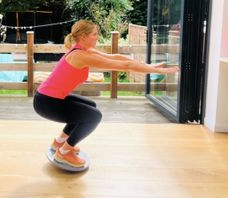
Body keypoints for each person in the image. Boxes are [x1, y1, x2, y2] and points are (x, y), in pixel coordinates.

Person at [33, 19, 179, 168]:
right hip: (47, 103)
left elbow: (116, 58)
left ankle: (59, 143)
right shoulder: (80, 56)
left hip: (49, 98)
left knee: (90, 106)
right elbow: (126, 66)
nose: (97, 37)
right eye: (94, 34)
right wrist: (157, 71)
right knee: (93, 116)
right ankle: (63, 153)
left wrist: (148, 66)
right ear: (83, 36)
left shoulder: (82, 50)